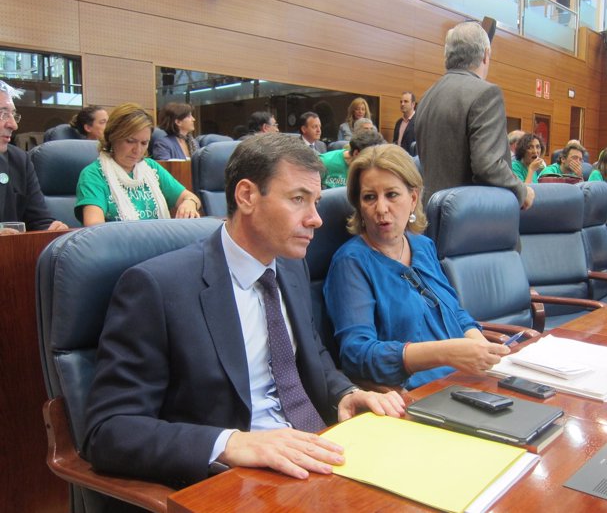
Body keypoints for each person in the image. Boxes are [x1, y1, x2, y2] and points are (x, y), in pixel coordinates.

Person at [83, 133, 405, 490]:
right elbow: (109, 430)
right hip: (239, 481)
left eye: (315, 202)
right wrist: (230, 443)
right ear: (247, 196)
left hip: (319, 455)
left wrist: (345, 393)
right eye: (298, 199)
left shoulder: (291, 266)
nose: (316, 219)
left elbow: (311, 357)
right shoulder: (156, 288)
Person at [324, 144, 510, 391]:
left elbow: (454, 312)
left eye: (391, 194)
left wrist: (481, 346)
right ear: (359, 205)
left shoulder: (423, 246)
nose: (381, 208)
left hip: (469, 380)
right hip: (415, 396)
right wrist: (445, 353)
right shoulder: (351, 263)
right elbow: (356, 356)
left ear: (413, 199)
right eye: (369, 197)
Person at [415, 21, 534, 209]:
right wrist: (522, 190)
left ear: (448, 56)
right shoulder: (485, 93)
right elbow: (488, 166)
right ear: (486, 54)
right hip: (471, 221)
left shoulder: (427, 97)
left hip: (429, 216)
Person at [75, 103, 201, 225]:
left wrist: (189, 203)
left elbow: (192, 198)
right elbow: (94, 227)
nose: (137, 150)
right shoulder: (93, 174)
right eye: (130, 141)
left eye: (144, 143)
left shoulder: (151, 167)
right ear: (112, 137)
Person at [0, 80, 68, 235]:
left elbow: (39, 221)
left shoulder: (19, 161)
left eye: (13, 115)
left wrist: (51, 230)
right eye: (3, 114)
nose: (13, 125)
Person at [320, 129, 386, 188]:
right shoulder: (324, 162)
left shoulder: (376, 167)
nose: (374, 160)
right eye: (370, 156)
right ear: (356, 153)